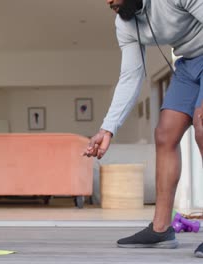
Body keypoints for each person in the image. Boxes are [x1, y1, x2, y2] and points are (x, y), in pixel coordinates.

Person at [82, 0, 203, 257]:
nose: (108, 2)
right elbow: (131, 76)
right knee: (165, 134)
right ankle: (160, 230)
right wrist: (107, 128)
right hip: (189, 62)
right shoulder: (125, 23)